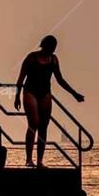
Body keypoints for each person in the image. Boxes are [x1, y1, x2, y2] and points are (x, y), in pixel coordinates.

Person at [14, 34, 84, 168]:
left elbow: (60, 80)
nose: (52, 50)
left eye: (54, 48)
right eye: (50, 47)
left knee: (43, 126)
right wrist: (17, 96)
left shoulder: (53, 60)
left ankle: (40, 160)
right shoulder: (32, 58)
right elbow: (20, 79)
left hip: (45, 93)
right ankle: (29, 159)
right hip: (30, 92)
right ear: (44, 46)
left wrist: (74, 93)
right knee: (33, 123)